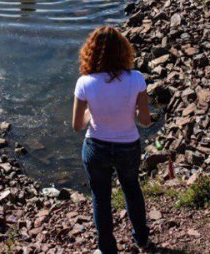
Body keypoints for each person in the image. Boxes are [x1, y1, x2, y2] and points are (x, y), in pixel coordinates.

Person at [72, 25, 152, 254]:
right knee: (131, 188)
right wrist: (130, 112)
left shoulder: (84, 82)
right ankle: (142, 240)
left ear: (91, 52)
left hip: (96, 147)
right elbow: (145, 121)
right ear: (124, 51)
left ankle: (107, 249)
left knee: (100, 197)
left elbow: (77, 125)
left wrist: (92, 112)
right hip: (128, 146)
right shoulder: (136, 78)